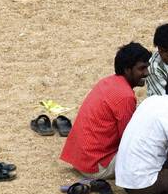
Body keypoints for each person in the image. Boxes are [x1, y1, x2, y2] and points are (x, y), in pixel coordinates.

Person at [60, 42, 150, 181]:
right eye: (142, 68)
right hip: (97, 166)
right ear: (127, 70)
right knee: (155, 152)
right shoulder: (125, 96)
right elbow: (130, 140)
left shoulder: (107, 82)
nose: (146, 73)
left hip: (80, 158)